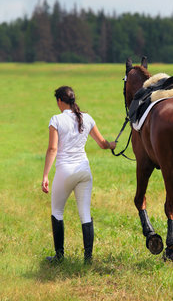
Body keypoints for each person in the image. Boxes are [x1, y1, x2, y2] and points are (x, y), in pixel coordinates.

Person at [42, 86, 116, 263]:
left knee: (57, 211)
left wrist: (45, 175)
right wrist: (112, 145)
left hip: (65, 171)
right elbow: (102, 143)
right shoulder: (87, 118)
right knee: (85, 213)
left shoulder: (56, 120)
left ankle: (59, 257)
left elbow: (52, 149)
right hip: (84, 171)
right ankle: (88, 259)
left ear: (60, 101)